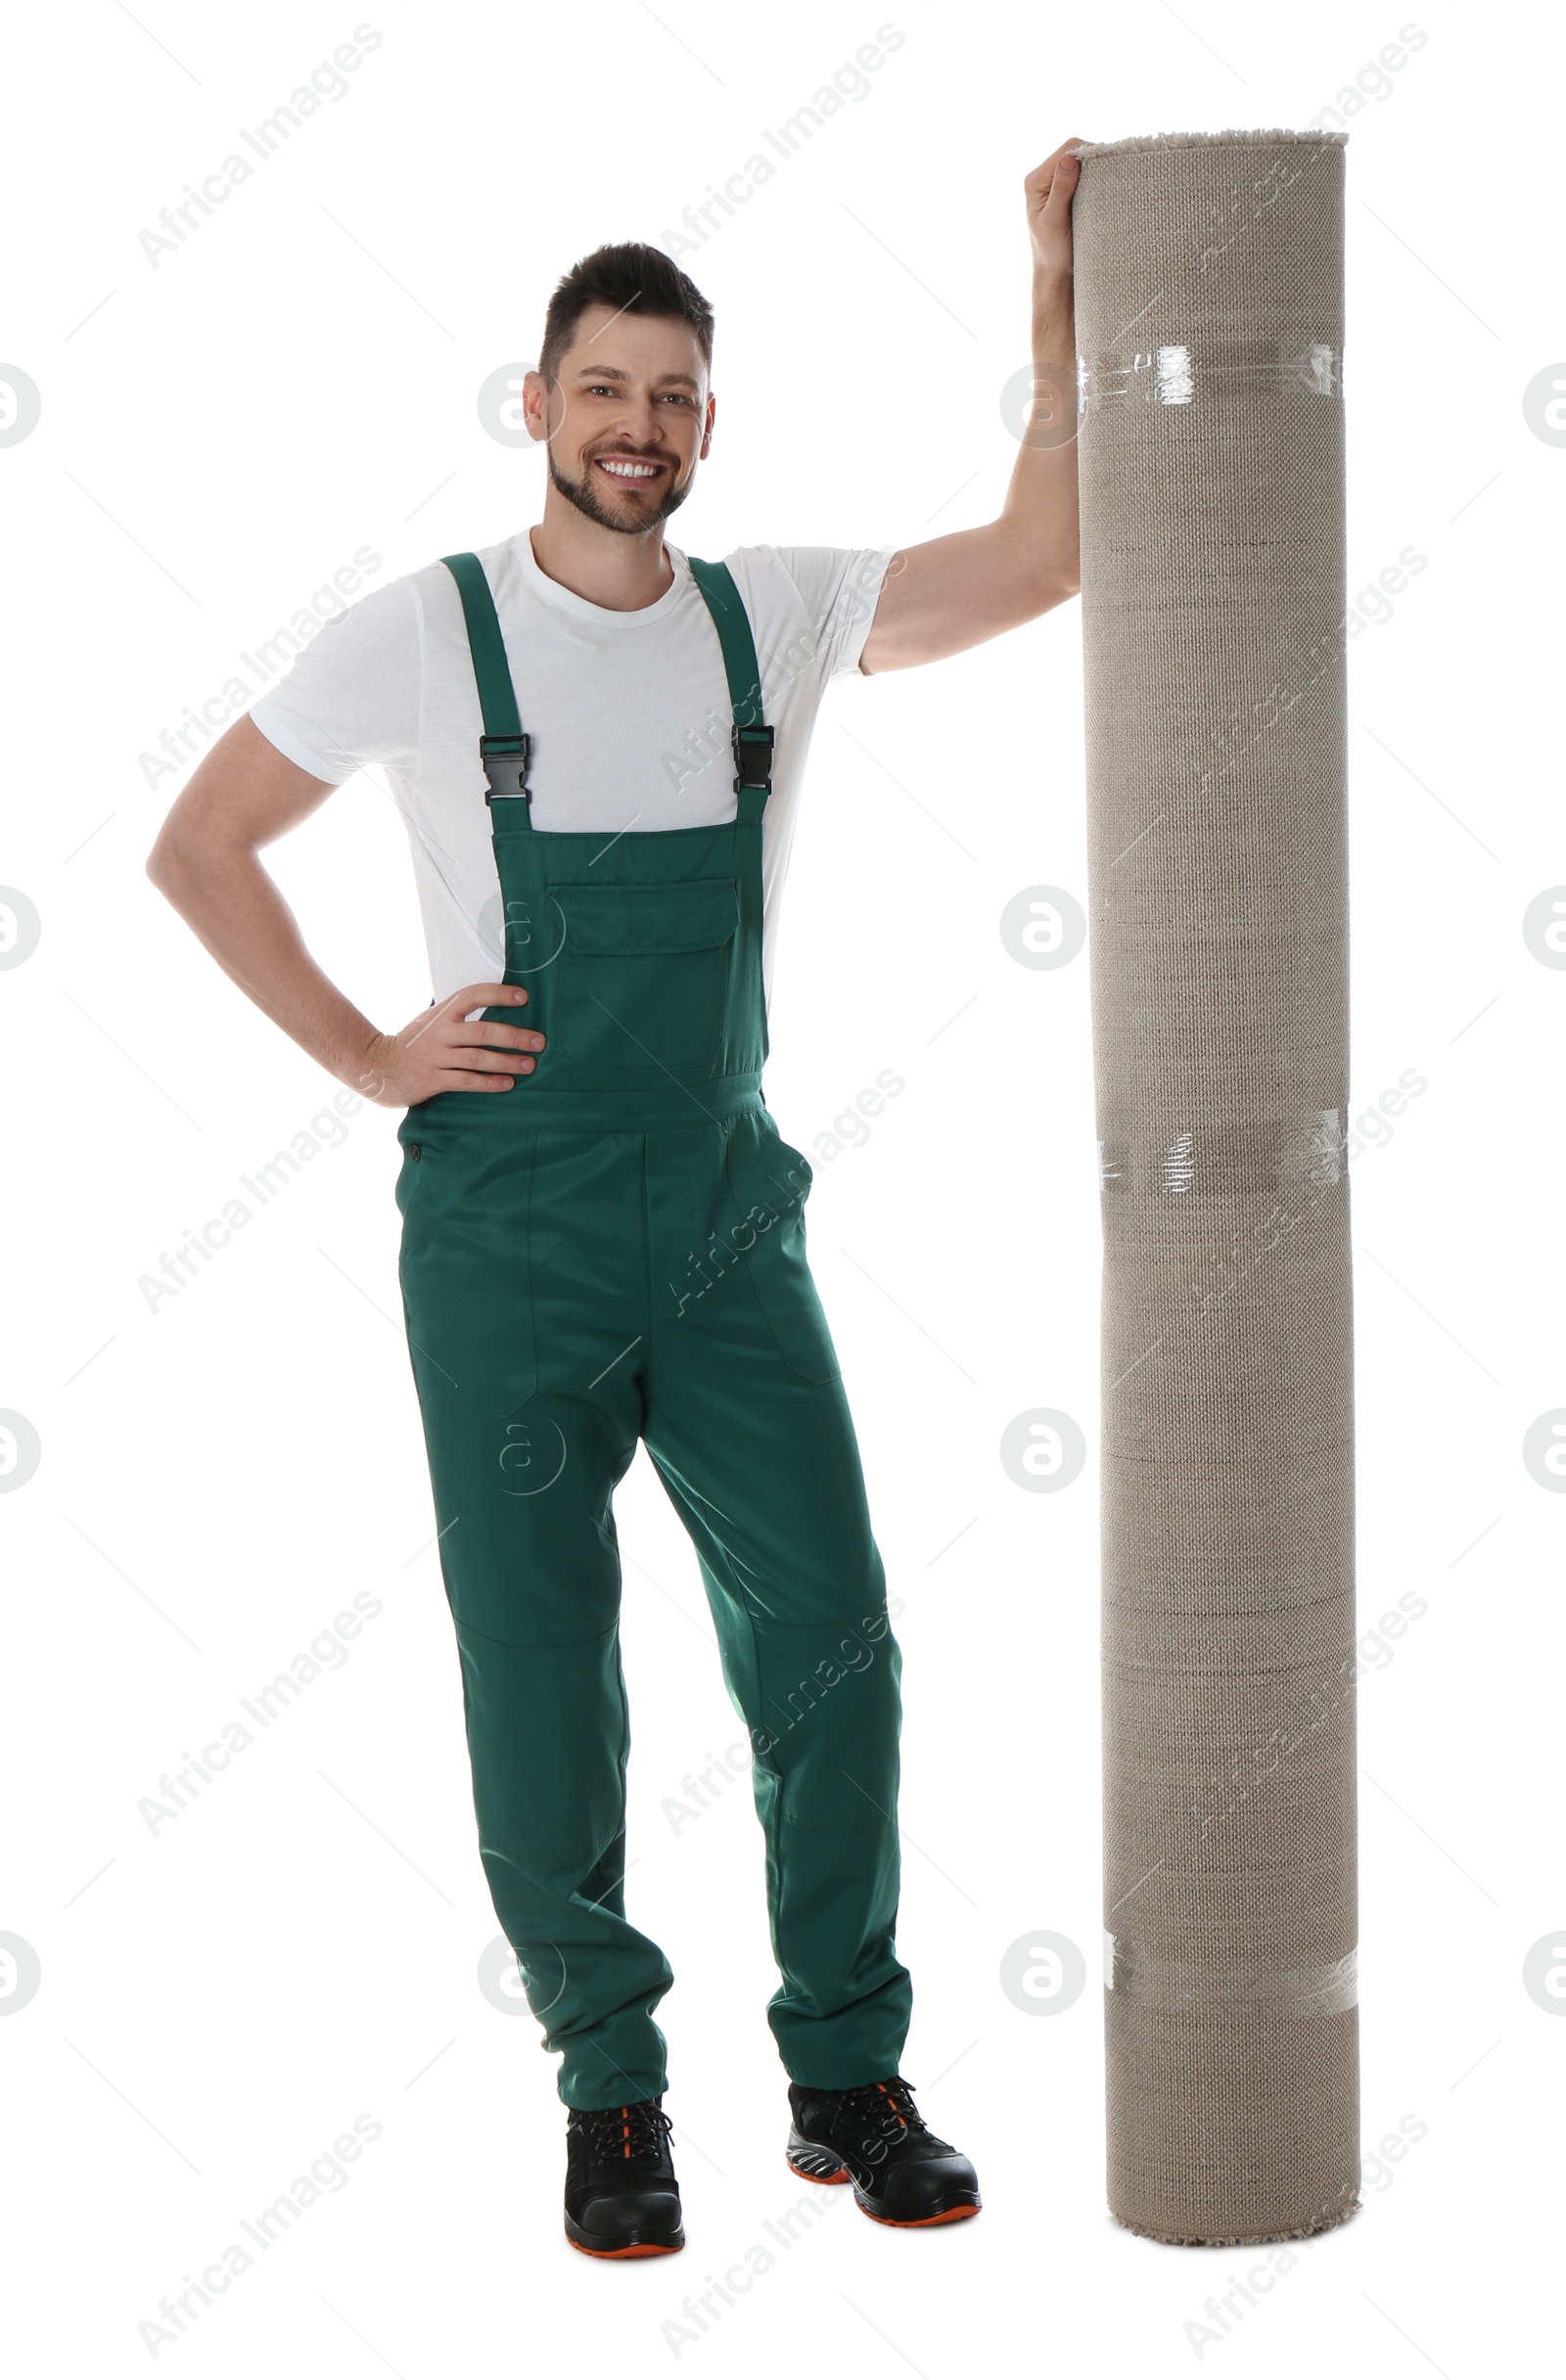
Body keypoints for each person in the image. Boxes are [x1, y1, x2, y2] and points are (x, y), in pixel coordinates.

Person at [148, 141, 1083, 2261]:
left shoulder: (777, 615)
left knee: (831, 1639)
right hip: (504, 1229)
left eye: (671, 396)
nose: (635, 429)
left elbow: (1045, 556)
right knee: (538, 1662)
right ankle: (610, 2086)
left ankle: (843, 2067)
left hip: (730, 1213)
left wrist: (1044, 287)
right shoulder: (426, 631)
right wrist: (368, 1053)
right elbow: (200, 847)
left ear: (707, 424)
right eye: (603, 390)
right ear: (536, 403)